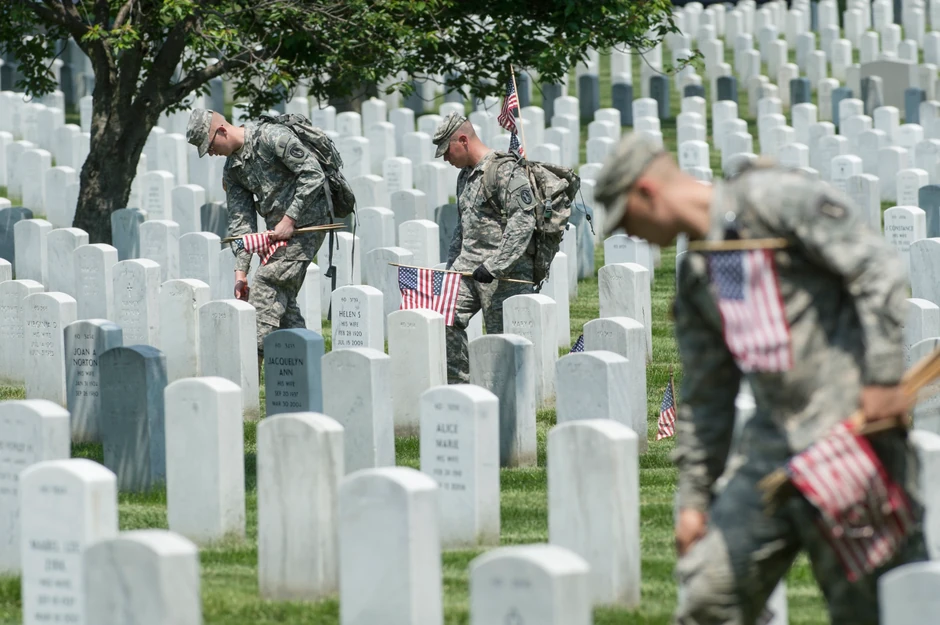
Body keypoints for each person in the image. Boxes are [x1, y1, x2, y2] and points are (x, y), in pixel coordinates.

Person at [595, 133, 927, 624]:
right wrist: (694, 501)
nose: (632, 234)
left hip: (851, 434)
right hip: (772, 449)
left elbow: (877, 268)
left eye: (628, 219)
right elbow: (705, 398)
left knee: (872, 609)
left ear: (648, 192)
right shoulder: (695, 278)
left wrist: (881, 379)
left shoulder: (773, 199)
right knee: (710, 600)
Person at [186, 108, 330, 360]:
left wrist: (290, 219)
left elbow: (313, 174)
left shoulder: (271, 137)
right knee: (283, 303)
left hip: (309, 220)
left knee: (268, 281)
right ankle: (305, 366)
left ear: (222, 130)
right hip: (279, 232)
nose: (210, 153)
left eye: (209, 145)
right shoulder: (232, 170)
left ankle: (251, 366)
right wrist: (240, 273)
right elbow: (241, 222)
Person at [433, 112, 537, 383]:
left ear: (463, 140)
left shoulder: (504, 170)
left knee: (499, 344)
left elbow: (524, 220)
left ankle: (507, 403)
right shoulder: (464, 176)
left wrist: (495, 266)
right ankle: (462, 389)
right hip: (468, 270)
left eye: (447, 150)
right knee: (444, 317)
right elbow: (463, 225)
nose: (445, 158)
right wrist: (451, 268)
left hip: (502, 275)